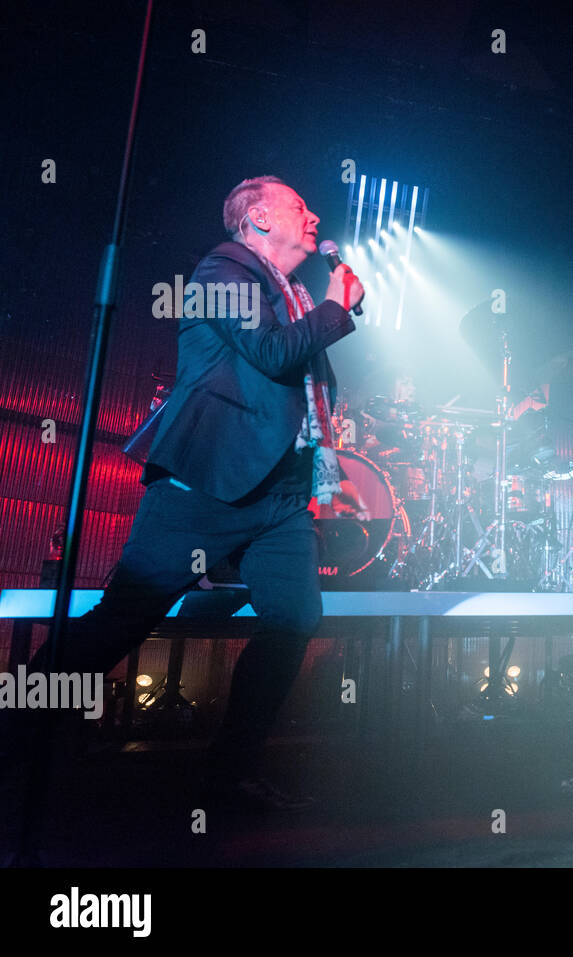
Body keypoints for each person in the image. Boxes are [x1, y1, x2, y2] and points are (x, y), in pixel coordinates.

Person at [7, 176, 363, 811]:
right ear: (258, 218)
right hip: (209, 482)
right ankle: (13, 736)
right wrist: (337, 307)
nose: (314, 217)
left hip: (279, 495)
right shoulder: (222, 270)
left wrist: (321, 478)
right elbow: (271, 352)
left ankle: (229, 773)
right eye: (298, 208)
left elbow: (308, 386)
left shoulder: (290, 291)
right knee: (123, 618)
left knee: (293, 620)